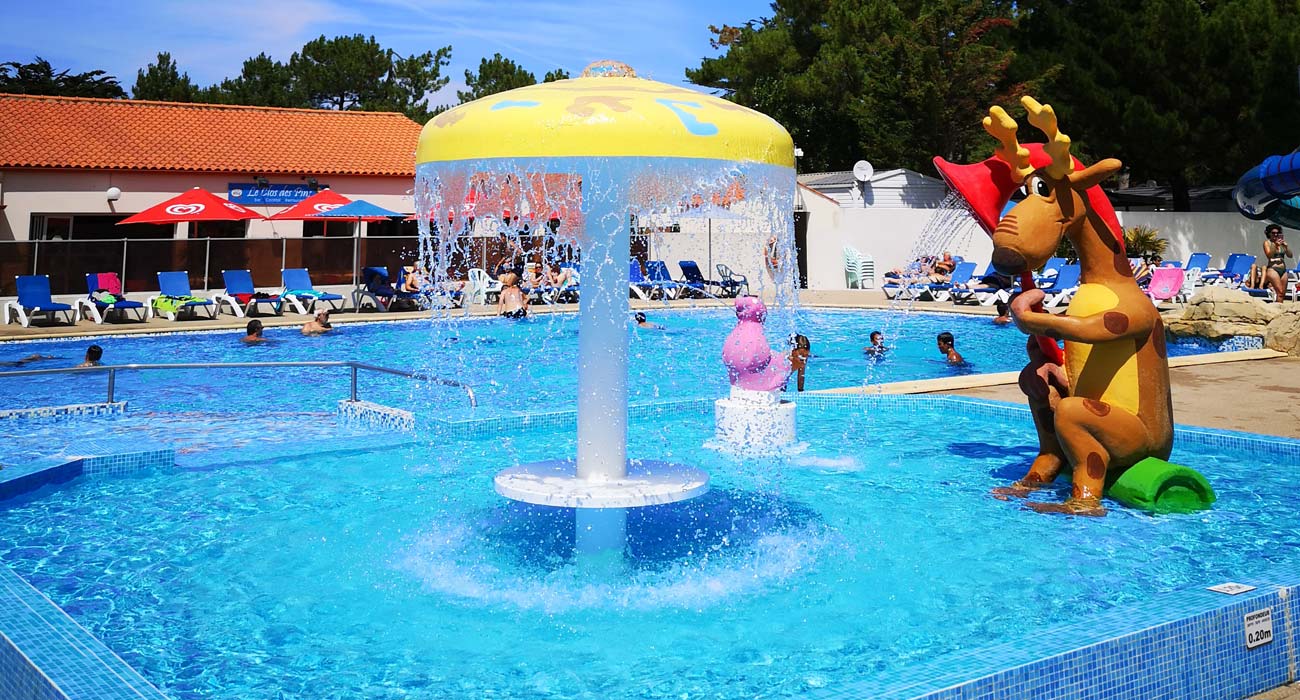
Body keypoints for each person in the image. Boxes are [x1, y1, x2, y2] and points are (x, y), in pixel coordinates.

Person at [1263, 223, 1293, 300]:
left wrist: (1286, 247)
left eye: (1277, 233)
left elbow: (1290, 255)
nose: (1275, 235)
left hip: (1283, 270)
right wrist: (1275, 245)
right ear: (1269, 233)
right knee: (1279, 292)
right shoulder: (1267, 243)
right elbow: (1269, 255)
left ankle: (1279, 309)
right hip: (1273, 269)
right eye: (1273, 233)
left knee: (1282, 293)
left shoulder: (1282, 243)